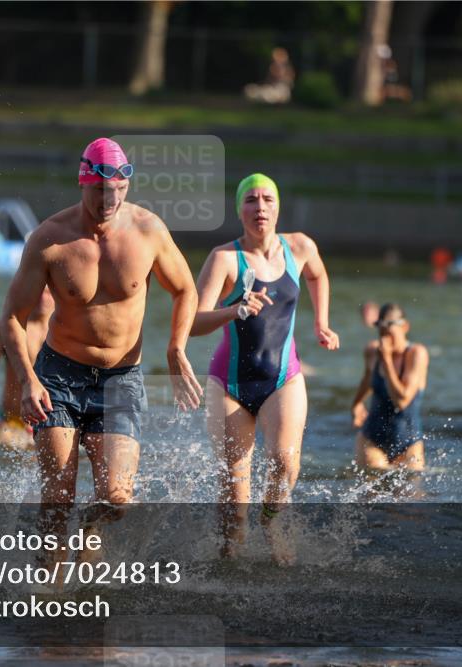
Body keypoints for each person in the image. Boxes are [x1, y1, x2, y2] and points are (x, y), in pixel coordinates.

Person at [0, 137, 202, 508]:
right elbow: (13, 316)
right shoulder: (51, 239)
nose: (110, 201)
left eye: (118, 190)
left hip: (121, 379)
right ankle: (51, 567)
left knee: (116, 500)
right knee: (58, 501)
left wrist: (176, 346)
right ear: (83, 183)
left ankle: (89, 555)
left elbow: (186, 290)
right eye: (101, 191)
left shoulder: (148, 231)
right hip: (59, 377)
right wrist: (28, 380)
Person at [191, 173, 339, 561]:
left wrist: (321, 321)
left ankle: (272, 520)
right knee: (234, 501)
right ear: (239, 210)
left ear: (278, 206)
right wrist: (235, 309)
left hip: (282, 378)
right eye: (251, 200)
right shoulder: (224, 259)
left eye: (267, 200)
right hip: (230, 385)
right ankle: (229, 559)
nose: (260, 208)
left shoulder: (301, 246)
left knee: (285, 462)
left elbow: (318, 274)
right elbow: (192, 322)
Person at [0, 288, 55, 455]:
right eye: (39, 292)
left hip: (53, 423)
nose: (42, 298)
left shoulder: (65, 330)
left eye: (48, 293)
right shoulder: (12, 327)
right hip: (14, 423)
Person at [351, 303, 429, 471]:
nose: (384, 334)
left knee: (412, 492)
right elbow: (367, 379)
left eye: (389, 327)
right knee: (371, 486)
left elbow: (402, 401)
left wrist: (386, 359)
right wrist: (357, 403)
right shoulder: (372, 351)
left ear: (405, 326)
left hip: (409, 441)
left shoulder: (416, 354)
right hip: (372, 439)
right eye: (380, 328)